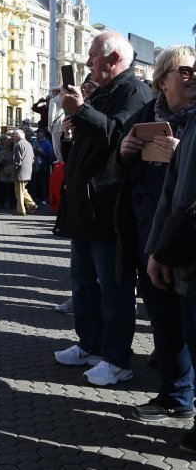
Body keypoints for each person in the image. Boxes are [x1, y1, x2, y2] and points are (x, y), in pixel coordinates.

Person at [53, 31, 153, 386]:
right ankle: (91, 345)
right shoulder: (104, 91)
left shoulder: (135, 92)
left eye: (93, 55)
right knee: (83, 283)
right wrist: (74, 123)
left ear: (113, 59)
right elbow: (94, 139)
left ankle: (117, 358)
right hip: (86, 207)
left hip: (109, 209)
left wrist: (81, 110)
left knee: (114, 289)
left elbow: (121, 136)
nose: (87, 62)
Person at [107, 46, 196, 423]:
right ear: (162, 80)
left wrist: (181, 153)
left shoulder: (192, 124)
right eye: (185, 71)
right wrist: (124, 154)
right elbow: (113, 177)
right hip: (150, 235)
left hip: (187, 239)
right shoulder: (143, 116)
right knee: (164, 320)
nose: (192, 77)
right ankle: (176, 395)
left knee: (190, 322)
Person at [145, 56, 196, 452]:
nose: (192, 74)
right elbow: (170, 196)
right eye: (185, 69)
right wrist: (156, 251)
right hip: (180, 256)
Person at [12, 129, 37, 215]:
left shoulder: (18, 145)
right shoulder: (28, 144)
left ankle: (21, 210)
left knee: (19, 192)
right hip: (28, 170)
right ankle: (31, 205)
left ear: (17, 136)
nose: (13, 138)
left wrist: (14, 171)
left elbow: (17, 161)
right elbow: (33, 158)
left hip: (20, 171)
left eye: (14, 136)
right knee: (22, 190)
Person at [0, 135, 16, 209]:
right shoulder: (13, 152)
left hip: (5, 172)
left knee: (5, 189)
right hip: (10, 172)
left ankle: (5, 203)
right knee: (9, 189)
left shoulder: (3, 152)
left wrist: (1, 161)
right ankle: (9, 203)